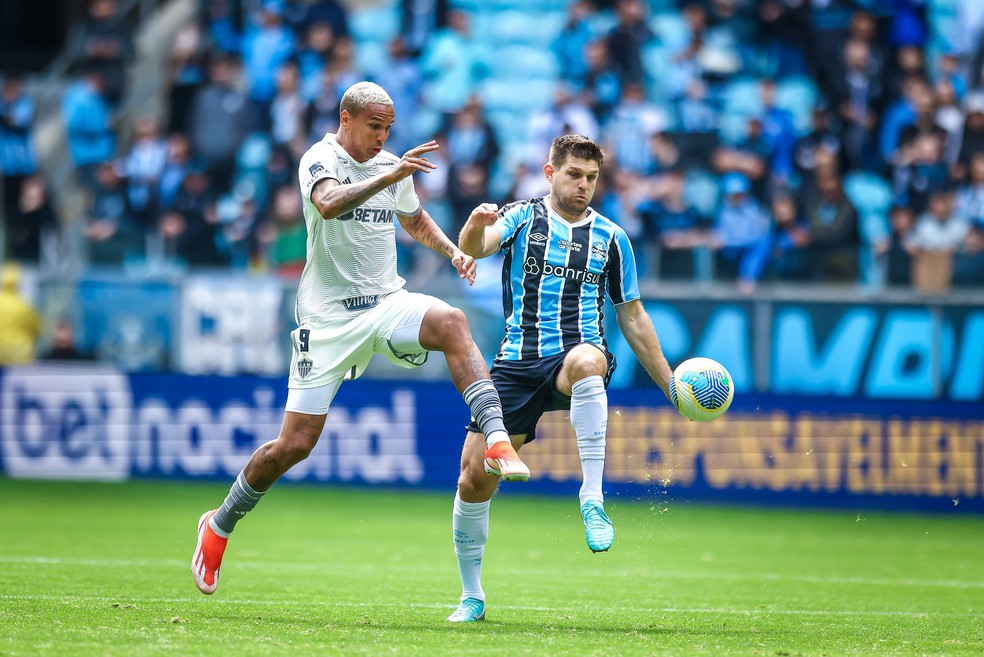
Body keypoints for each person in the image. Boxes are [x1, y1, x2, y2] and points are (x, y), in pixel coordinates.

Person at [191, 81, 529, 595]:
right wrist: (389, 174)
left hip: (385, 303)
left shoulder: (390, 165)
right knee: (294, 446)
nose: (382, 137)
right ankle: (219, 524)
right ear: (345, 118)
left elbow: (413, 218)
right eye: (375, 126)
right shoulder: (319, 159)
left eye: (388, 128)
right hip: (327, 322)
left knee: (452, 322)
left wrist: (452, 252)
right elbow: (328, 204)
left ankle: (496, 435)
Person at [446, 134, 679, 623]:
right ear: (550, 173)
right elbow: (476, 247)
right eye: (574, 174)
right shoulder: (521, 217)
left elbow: (633, 316)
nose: (583, 185)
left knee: (591, 362)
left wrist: (669, 384)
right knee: (473, 479)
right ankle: (472, 595)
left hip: (575, 355)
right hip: (517, 362)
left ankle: (592, 497)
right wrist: (473, 224)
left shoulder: (612, 238)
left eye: (592, 177)